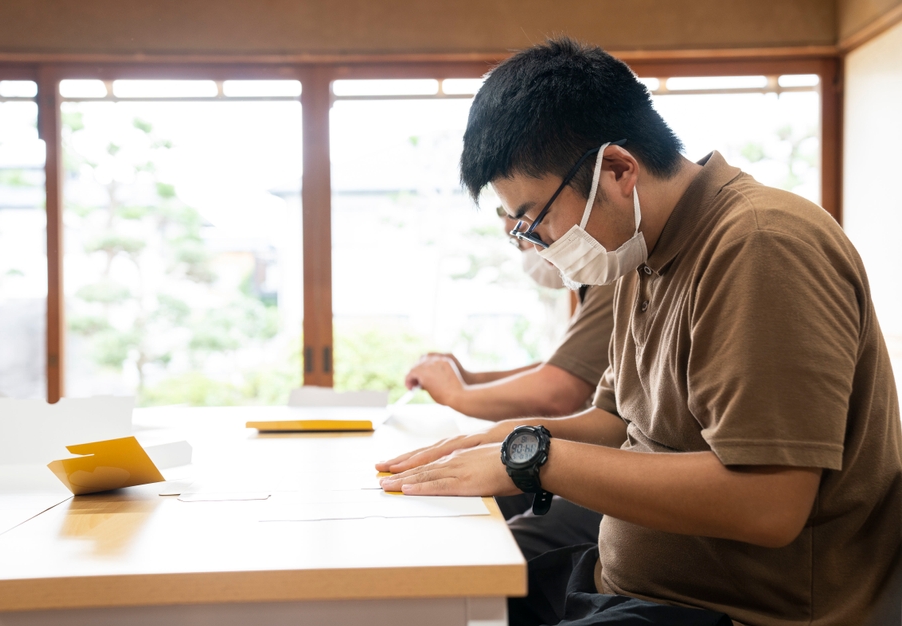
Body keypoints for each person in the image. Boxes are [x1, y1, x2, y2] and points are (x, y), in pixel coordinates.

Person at [377, 37, 902, 626]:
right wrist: (508, 437)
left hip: (737, 611)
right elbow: (618, 422)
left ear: (619, 169)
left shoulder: (761, 243)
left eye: (535, 218)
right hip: (629, 583)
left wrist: (534, 459)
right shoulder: (639, 252)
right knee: (421, 593)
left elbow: (768, 502)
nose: (539, 245)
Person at [405, 207, 615, 422]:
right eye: (519, 239)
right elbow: (564, 368)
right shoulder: (591, 285)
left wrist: (455, 394)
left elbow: (557, 391)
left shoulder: (611, 277)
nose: (535, 248)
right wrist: (469, 379)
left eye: (527, 231)